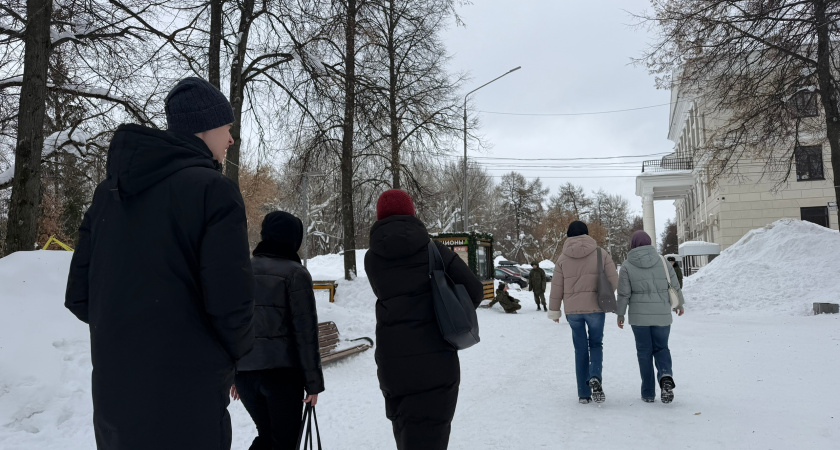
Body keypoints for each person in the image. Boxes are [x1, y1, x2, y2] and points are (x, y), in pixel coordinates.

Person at [64, 77, 255, 449]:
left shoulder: (108, 195)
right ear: (205, 128)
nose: (231, 139)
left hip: (115, 398)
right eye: (227, 128)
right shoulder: (213, 191)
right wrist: (229, 356)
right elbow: (232, 302)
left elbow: (79, 296)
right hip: (188, 397)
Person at [365, 189, 484, 450]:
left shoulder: (371, 258)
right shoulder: (434, 250)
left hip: (393, 366)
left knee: (406, 438)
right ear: (412, 213)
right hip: (436, 363)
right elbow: (474, 291)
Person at [232, 211, 325, 450]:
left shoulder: (241, 270)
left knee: (267, 437)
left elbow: (231, 323)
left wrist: (232, 370)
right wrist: (313, 384)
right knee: (283, 442)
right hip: (282, 376)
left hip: (246, 375)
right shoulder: (296, 274)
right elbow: (305, 334)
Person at [547, 220, 618, 404]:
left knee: (580, 349)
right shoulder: (600, 253)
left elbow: (556, 287)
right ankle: (595, 376)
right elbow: (615, 281)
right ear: (587, 234)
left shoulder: (562, 259)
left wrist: (555, 311)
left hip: (573, 312)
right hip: (596, 308)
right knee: (595, 344)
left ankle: (584, 394)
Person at [616, 231, 686, 404]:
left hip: (639, 318)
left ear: (632, 244)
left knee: (644, 352)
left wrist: (620, 314)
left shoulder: (626, 265)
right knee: (662, 348)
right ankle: (665, 376)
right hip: (662, 315)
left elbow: (624, 293)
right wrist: (679, 304)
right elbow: (674, 285)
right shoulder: (663, 261)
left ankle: (648, 393)